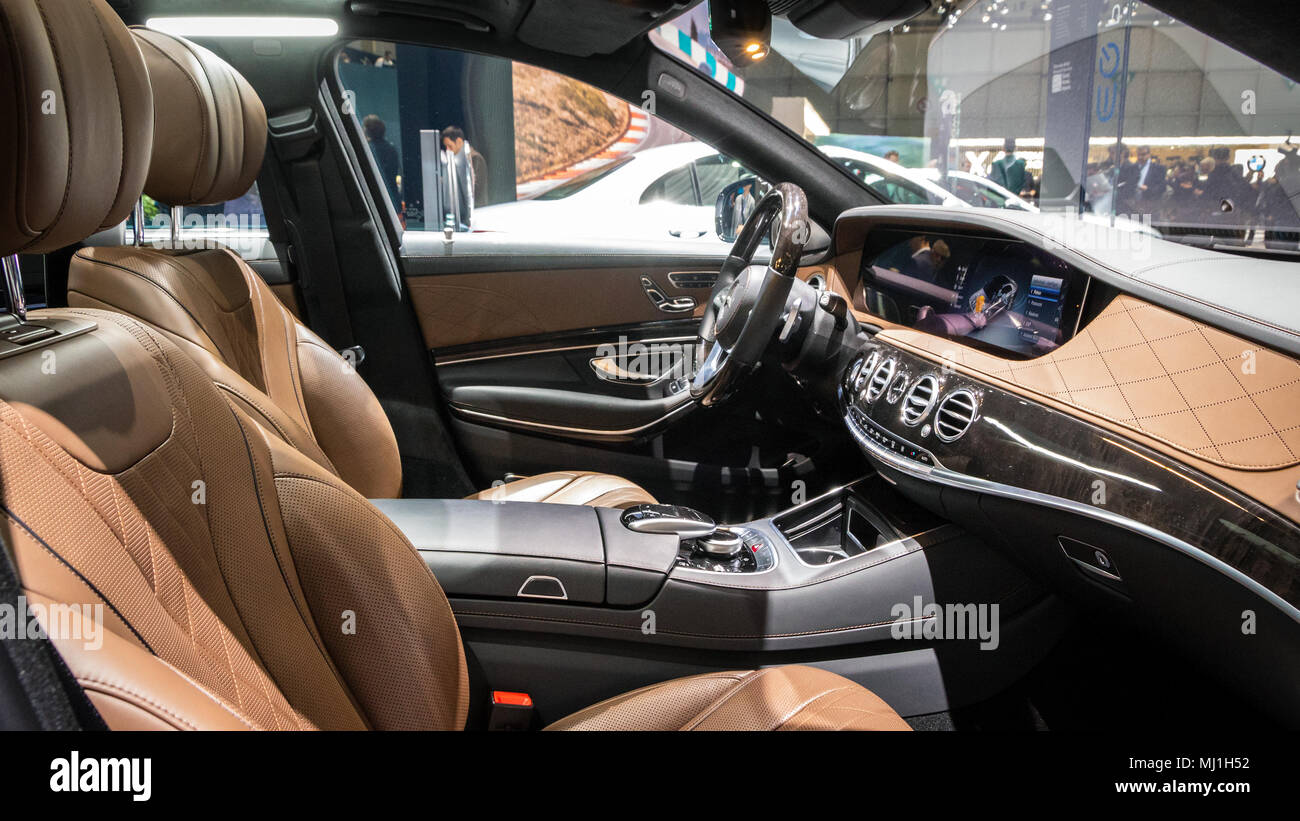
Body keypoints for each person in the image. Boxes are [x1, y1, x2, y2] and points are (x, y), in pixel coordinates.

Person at [442, 126, 487, 224]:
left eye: (450, 146)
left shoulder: (475, 159)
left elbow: (475, 191)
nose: (447, 150)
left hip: (476, 216)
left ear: (458, 142)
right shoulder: (455, 161)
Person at [362, 115, 402, 211]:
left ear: (367, 130)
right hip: (392, 198)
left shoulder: (367, 149)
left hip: (374, 199)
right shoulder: (391, 148)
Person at [1118, 145, 1167, 216]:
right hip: (1131, 206)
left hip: (1149, 206)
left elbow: (1162, 188)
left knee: (1145, 225)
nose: (1140, 157)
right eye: (1139, 155)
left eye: (1143, 154)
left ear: (1149, 154)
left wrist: (1148, 189)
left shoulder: (1159, 169)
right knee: (1133, 225)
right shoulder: (1131, 168)